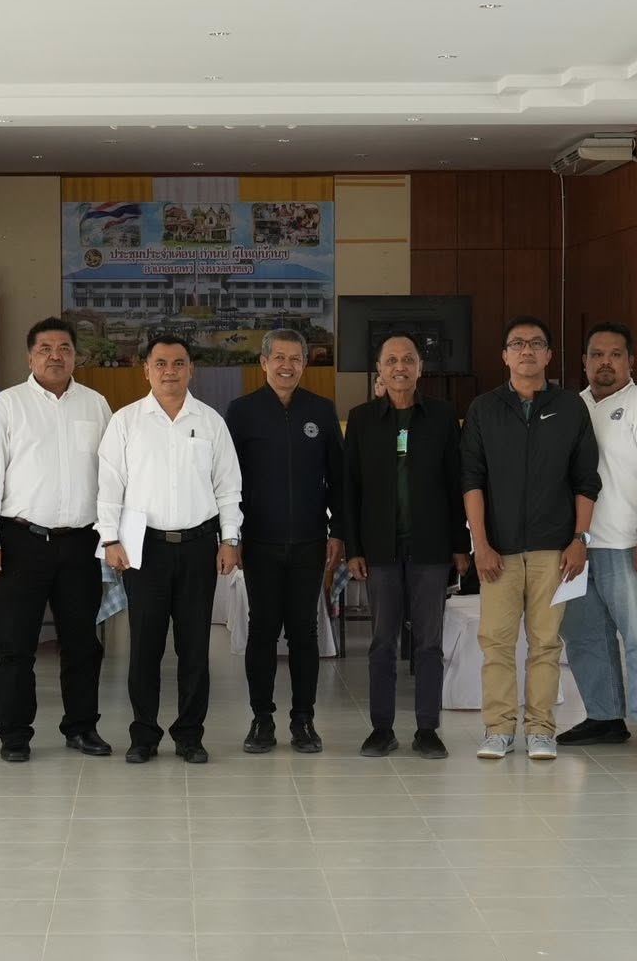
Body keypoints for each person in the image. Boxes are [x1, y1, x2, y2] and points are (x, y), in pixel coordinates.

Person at [0, 318, 114, 762]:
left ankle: (82, 727)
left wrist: (112, 535)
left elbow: (114, 475)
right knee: (15, 644)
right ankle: (15, 734)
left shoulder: (96, 404)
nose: (56, 356)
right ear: (29, 356)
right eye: (46, 348)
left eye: (65, 348)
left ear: (76, 356)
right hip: (21, 541)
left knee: (82, 644)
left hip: (81, 543)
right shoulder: (8, 404)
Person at [98, 334, 243, 764]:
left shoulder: (211, 422)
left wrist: (230, 539)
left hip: (199, 546)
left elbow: (228, 487)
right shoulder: (125, 421)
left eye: (178, 363)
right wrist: (110, 539)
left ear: (191, 369)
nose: (169, 371)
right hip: (145, 549)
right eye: (160, 363)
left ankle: (189, 735)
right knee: (145, 647)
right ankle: (143, 734)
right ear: (146, 370)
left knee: (194, 648)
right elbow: (110, 486)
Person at [463, 315, 599, 762]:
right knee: (496, 643)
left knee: (546, 643)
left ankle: (541, 729)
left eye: (536, 344)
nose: (526, 351)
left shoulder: (570, 407)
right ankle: (498, 729)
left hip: (554, 550)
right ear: (504, 355)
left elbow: (586, 480)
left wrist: (580, 539)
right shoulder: (483, 408)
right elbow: (472, 481)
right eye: (517, 344)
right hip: (498, 551)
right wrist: (481, 545)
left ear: (549, 355)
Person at [556, 323, 637, 757]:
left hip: (630, 544)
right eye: (596, 355)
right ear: (584, 361)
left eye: (615, 354)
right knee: (584, 636)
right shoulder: (573, 407)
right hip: (578, 546)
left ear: (631, 361)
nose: (605, 362)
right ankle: (604, 717)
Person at [343, 334, 469, 759]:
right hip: (380, 550)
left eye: (408, 359)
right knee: (382, 642)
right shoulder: (362, 419)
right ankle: (382, 728)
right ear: (379, 369)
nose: (400, 367)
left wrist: (460, 545)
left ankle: (427, 729)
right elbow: (349, 488)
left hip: (431, 549)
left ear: (420, 368)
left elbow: (455, 484)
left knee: (429, 642)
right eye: (392, 360)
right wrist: (354, 548)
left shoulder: (442, 416)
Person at [224, 329, 344, 754]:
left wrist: (338, 531)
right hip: (259, 541)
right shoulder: (241, 412)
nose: (287, 366)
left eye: (295, 358)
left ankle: (303, 719)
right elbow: (227, 481)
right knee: (262, 631)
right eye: (279, 357)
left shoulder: (321, 410)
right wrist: (232, 536)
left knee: (305, 633)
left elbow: (339, 477)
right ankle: (262, 718)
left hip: (310, 541)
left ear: (304, 364)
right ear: (264, 362)